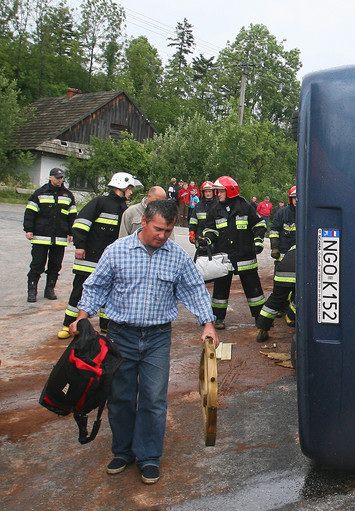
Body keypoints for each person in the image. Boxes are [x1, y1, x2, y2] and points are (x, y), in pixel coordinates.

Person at [69, 199, 218, 485]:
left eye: (168, 230)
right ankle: (123, 451)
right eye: (158, 229)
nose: (162, 235)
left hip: (157, 338)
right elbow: (95, 286)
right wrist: (82, 316)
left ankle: (149, 457)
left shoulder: (176, 256)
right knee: (120, 397)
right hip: (119, 336)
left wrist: (208, 323)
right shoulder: (117, 251)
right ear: (145, 222)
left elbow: (195, 290)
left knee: (153, 399)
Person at [60, 172, 140, 339]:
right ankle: (69, 324)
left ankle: (106, 326)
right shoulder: (100, 203)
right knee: (79, 291)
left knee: (110, 294)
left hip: (110, 261)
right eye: (130, 189)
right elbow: (80, 224)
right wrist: (80, 246)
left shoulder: (125, 209)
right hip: (89, 258)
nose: (131, 192)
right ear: (122, 187)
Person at [198, 175, 267, 329]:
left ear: (230, 191)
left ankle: (260, 318)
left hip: (245, 255)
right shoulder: (215, 210)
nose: (218, 194)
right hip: (225, 257)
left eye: (220, 191)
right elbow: (210, 229)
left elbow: (259, 225)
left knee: (253, 289)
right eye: (217, 192)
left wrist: (258, 242)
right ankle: (218, 318)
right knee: (220, 288)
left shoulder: (245, 207)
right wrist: (207, 240)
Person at [23, 167, 76, 302]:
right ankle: (32, 290)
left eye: (61, 177)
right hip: (41, 237)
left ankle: (50, 289)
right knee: (37, 265)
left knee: (55, 265)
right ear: (50, 178)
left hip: (59, 238)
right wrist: (28, 229)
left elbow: (72, 216)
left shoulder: (68, 195)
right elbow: (30, 213)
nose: (60, 180)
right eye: (57, 177)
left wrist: (72, 232)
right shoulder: (40, 193)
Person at [255, 243, 296, 342]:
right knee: (303, 296)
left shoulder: (295, 246)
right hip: (297, 273)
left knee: (275, 299)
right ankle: (290, 316)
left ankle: (262, 329)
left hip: (281, 273)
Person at [189, 181, 216, 247]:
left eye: (209, 191)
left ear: (213, 192)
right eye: (206, 192)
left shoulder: (218, 205)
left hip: (214, 240)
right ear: (203, 193)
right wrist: (192, 233)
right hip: (200, 238)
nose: (208, 193)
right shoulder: (198, 206)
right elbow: (193, 221)